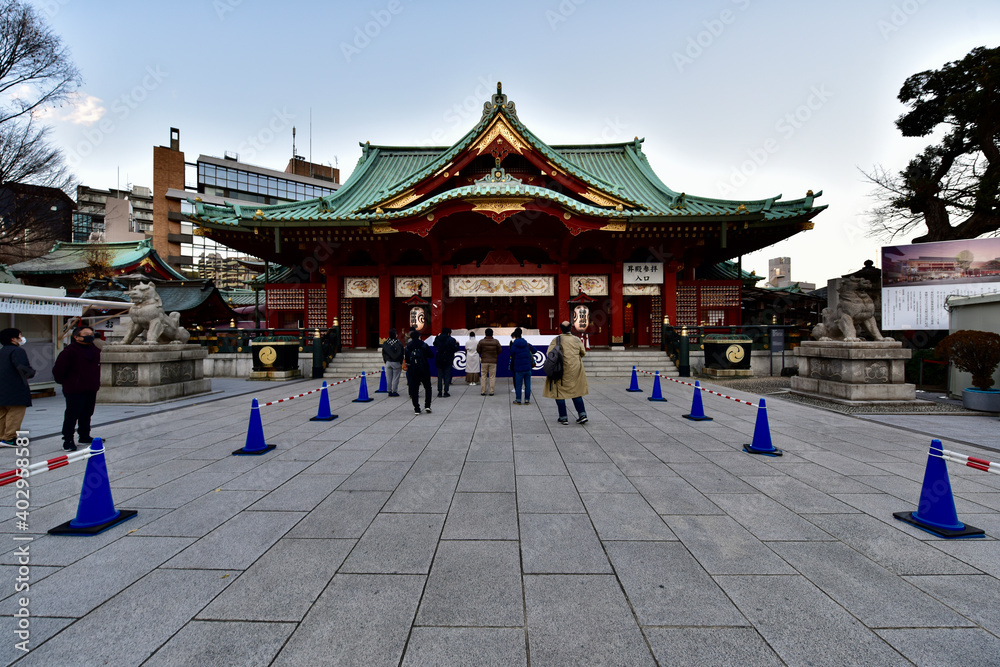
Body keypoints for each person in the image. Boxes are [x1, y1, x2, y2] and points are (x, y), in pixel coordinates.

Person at [52, 325, 102, 451]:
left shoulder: (94, 349)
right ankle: (68, 439)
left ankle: (84, 435)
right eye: (86, 334)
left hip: (91, 387)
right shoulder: (69, 351)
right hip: (74, 388)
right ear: (76, 337)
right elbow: (58, 370)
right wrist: (67, 382)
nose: (89, 336)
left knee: (87, 413)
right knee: (72, 414)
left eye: (91, 333)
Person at [543, 321, 589, 425]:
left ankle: (563, 417)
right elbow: (583, 353)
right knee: (576, 392)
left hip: (560, 370)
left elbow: (549, 353)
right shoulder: (577, 340)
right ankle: (582, 415)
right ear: (571, 329)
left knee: (559, 393)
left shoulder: (556, 340)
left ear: (560, 329)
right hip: (575, 370)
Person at [0, 328, 35, 446]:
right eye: (20, 336)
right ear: (13, 339)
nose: (21, 338)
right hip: (15, 388)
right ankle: (9, 437)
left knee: (2, 414)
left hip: (2, 389)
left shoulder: (2, 351)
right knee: (15, 413)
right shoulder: (17, 351)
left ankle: (1, 436)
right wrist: (31, 373)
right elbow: (22, 367)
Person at [404, 330, 433, 414]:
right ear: (419, 336)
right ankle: (427, 405)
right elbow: (431, 355)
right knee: (427, 387)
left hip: (413, 370)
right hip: (424, 369)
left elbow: (407, 359)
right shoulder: (423, 344)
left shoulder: (408, 346)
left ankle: (417, 408)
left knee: (414, 389)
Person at [509, 327, 536, 405]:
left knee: (518, 385)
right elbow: (535, 350)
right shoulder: (526, 343)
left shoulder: (514, 344)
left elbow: (512, 354)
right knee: (528, 384)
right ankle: (527, 400)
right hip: (527, 367)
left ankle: (518, 400)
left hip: (518, 368)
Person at [434, 327, 460, 397]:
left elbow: (434, 344)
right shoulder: (451, 340)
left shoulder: (438, 338)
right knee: (447, 376)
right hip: (448, 359)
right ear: (449, 333)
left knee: (439, 376)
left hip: (439, 358)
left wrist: (437, 336)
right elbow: (455, 349)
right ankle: (446, 391)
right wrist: (457, 344)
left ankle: (439, 392)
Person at [476, 328, 502, 396]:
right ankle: (491, 391)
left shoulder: (481, 341)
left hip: (484, 361)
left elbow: (478, 350)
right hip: (493, 361)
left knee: (483, 376)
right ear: (492, 334)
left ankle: (483, 391)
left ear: (485, 334)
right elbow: (500, 350)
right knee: (492, 377)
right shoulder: (496, 341)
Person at [381, 328, 404, 397]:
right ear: (395, 334)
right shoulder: (398, 343)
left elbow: (383, 353)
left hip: (388, 362)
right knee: (395, 378)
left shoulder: (385, 343)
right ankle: (394, 391)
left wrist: (386, 360)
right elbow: (401, 353)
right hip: (396, 362)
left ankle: (389, 391)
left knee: (389, 377)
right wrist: (401, 361)